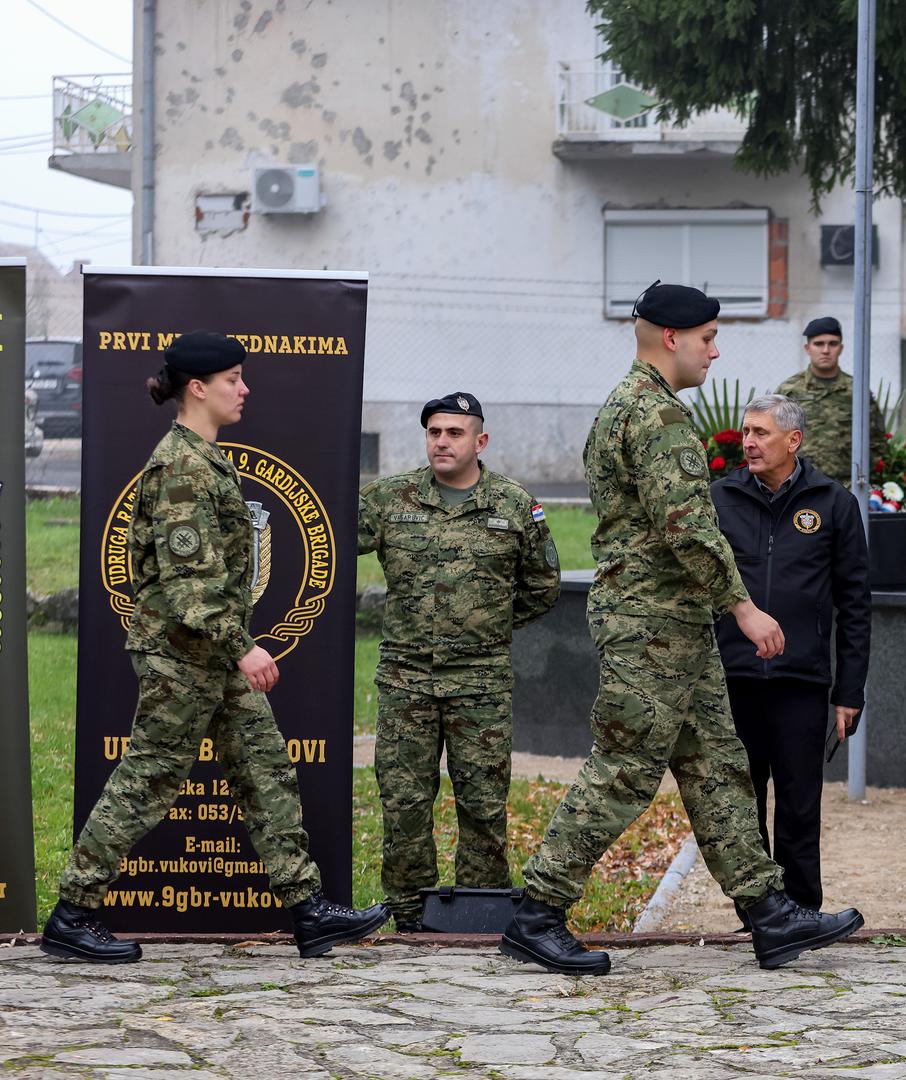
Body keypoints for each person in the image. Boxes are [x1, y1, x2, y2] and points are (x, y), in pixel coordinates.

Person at [500, 283, 864, 975]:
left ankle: (768, 911)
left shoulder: (626, 405)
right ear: (672, 338)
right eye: (708, 338)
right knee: (625, 769)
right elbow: (687, 527)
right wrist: (744, 607)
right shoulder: (656, 414)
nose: (714, 351)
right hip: (651, 625)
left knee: (717, 766)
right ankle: (537, 912)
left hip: (676, 624)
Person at [42, 331, 388, 964]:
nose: (245, 388)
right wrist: (243, 647)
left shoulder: (205, 457)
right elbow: (190, 586)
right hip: (183, 655)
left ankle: (309, 912)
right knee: (149, 778)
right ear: (198, 388)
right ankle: (72, 914)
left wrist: (232, 647)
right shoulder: (180, 467)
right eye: (233, 379)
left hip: (211, 655)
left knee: (265, 768)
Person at [357, 393, 561, 932]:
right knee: (404, 803)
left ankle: (479, 916)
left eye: (454, 432)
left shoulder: (513, 504)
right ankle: (409, 918)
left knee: (483, 805)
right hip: (406, 680)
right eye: (434, 432)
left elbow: (542, 586)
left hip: (481, 682)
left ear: (480, 441)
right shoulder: (388, 499)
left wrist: (486, 628)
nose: (442, 442)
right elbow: (324, 543)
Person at [712, 393, 872, 912]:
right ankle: (759, 912)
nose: (748, 442)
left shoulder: (833, 502)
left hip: (801, 680)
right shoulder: (719, 498)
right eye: (746, 431)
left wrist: (849, 691)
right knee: (742, 803)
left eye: (760, 433)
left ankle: (801, 910)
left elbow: (855, 603)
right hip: (733, 676)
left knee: (800, 805)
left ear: (793, 440)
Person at [775, 316, 885, 489]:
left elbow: (877, 441)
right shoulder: (789, 391)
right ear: (807, 348)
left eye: (832, 344)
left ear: (841, 348)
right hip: (799, 485)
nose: (826, 350)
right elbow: (773, 436)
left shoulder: (857, 391)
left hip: (847, 487)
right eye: (819, 344)